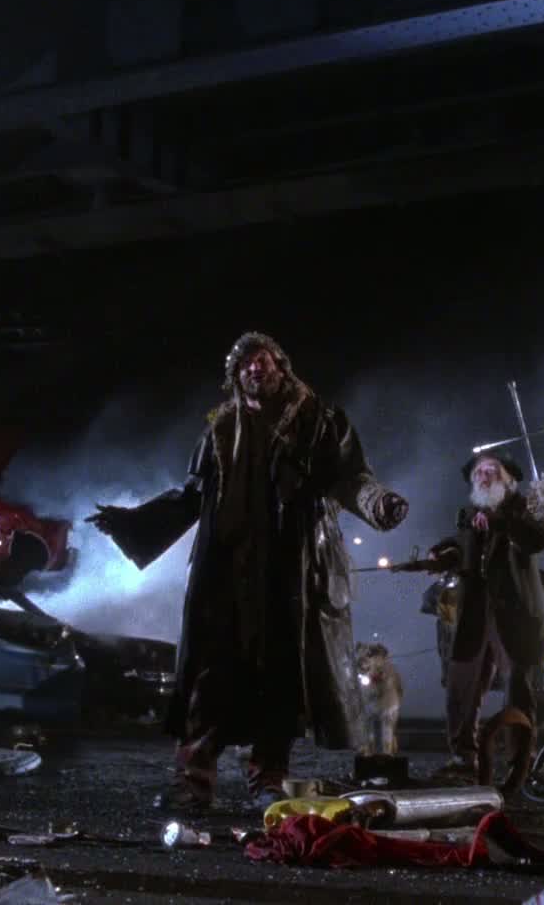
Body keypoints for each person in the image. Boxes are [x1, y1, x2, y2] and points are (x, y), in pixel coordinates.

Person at [88, 332, 409, 813]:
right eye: (244, 365)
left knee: (279, 681)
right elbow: (192, 496)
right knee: (208, 678)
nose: (254, 369)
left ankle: (267, 780)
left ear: (281, 366)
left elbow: (349, 477)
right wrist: (134, 524)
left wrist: (378, 502)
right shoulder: (220, 428)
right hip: (225, 574)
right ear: (235, 376)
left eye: (262, 361)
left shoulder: (318, 421)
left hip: (289, 572)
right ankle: (193, 781)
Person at [428, 451, 544, 791]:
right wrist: (443, 552)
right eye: (478, 472)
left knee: (518, 686)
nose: (483, 475)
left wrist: (499, 520)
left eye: (492, 470)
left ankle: (520, 763)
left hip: (515, 614)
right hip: (475, 612)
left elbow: (535, 540)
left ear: (508, 479)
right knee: (461, 684)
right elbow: (463, 547)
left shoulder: (524, 508)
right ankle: (463, 758)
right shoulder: (469, 513)